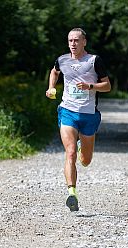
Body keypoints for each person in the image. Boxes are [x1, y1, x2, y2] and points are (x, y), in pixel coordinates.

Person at [46, 28, 111, 212]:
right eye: (70, 41)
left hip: (89, 114)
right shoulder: (62, 59)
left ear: (84, 42)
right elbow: (54, 71)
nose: (73, 44)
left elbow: (107, 85)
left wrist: (90, 86)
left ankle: (84, 147)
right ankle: (72, 193)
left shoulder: (94, 61)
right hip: (68, 111)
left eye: (76, 40)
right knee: (71, 153)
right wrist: (51, 87)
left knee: (86, 160)